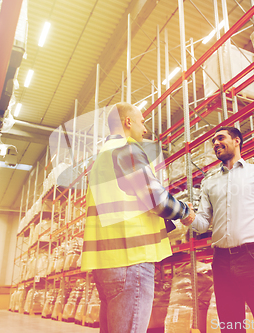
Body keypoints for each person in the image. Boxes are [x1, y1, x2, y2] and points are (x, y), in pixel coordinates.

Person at [81, 102, 195, 333]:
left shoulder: (100, 160)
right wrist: (184, 211)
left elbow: (129, 203)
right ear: (128, 122)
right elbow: (155, 199)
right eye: (142, 122)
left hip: (107, 264)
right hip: (131, 260)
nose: (145, 129)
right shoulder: (127, 150)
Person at [180, 126, 254, 333]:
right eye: (213, 142)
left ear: (237, 140)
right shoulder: (209, 182)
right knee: (230, 326)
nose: (215, 144)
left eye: (220, 138)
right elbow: (203, 224)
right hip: (220, 262)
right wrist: (187, 216)